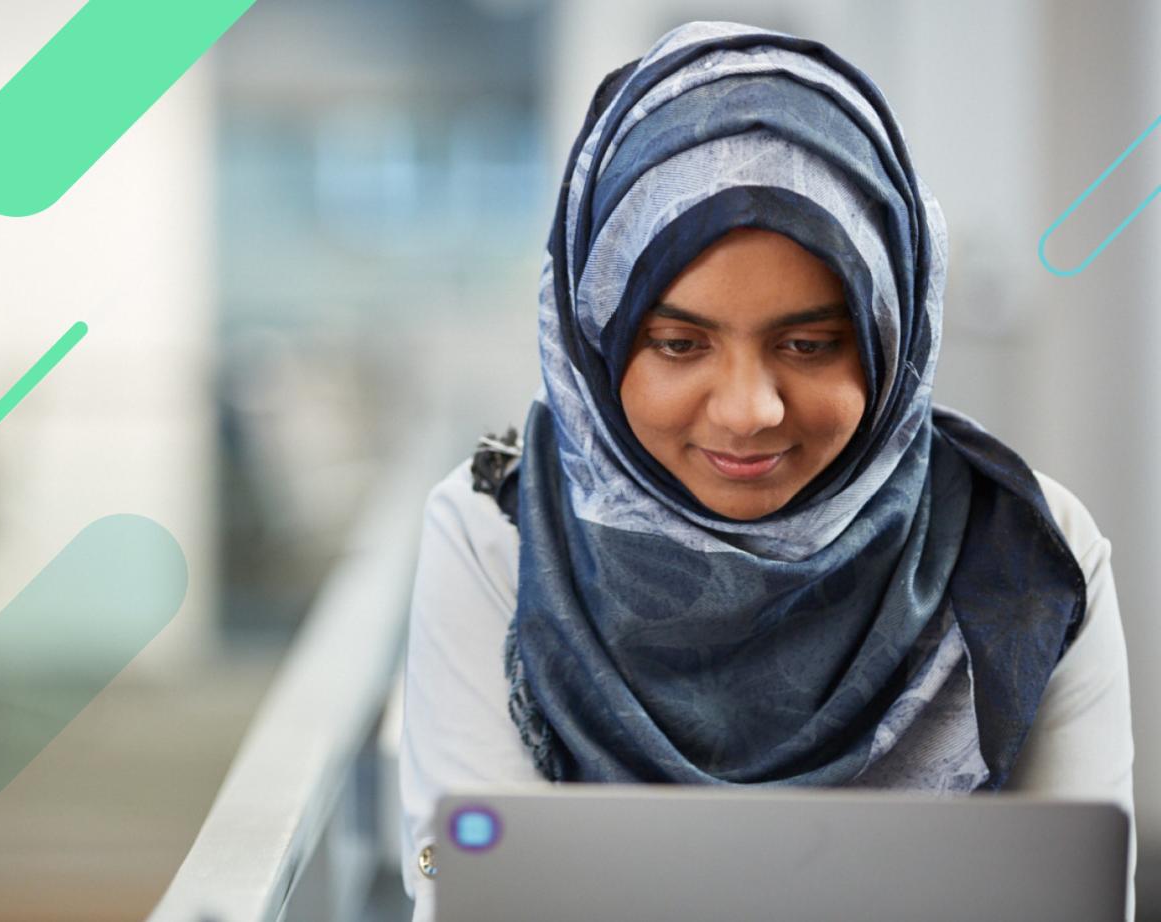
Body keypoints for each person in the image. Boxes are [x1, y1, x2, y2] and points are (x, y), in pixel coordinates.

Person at [398, 20, 1135, 921]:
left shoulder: (1024, 552)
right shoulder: (505, 533)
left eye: (810, 342)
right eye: (678, 342)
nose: (750, 410)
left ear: (891, 338)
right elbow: (462, 893)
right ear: (598, 340)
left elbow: (1078, 896)